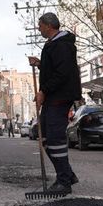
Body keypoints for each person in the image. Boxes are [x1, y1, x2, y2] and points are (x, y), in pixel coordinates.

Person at [27, 12, 81, 195]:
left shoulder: (62, 45)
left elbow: (62, 74)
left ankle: (63, 182)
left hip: (59, 98)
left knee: (55, 139)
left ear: (49, 26)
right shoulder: (54, 44)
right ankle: (67, 174)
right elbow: (55, 69)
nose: (39, 28)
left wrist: (43, 91)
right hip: (53, 98)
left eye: (40, 25)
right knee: (45, 137)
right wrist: (41, 64)